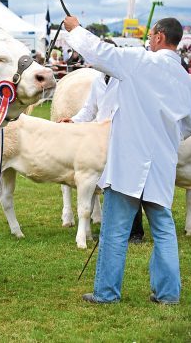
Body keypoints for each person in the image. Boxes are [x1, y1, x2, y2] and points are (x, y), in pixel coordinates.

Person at [63, 16, 191, 305]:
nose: (149, 40)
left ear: (159, 37)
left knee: (115, 230)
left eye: (151, 36)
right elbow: (188, 124)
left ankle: (107, 293)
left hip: (129, 159)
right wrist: (166, 137)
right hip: (161, 162)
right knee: (163, 229)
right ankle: (169, 294)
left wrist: (76, 30)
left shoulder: (140, 61)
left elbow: (100, 52)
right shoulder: (186, 80)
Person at [58, 39, 145, 243]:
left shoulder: (127, 77)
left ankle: (136, 232)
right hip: (102, 139)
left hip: (125, 136)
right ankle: (114, 228)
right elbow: (90, 109)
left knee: (130, 185)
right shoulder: (98, 79)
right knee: (109, 185)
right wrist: (74, 120)